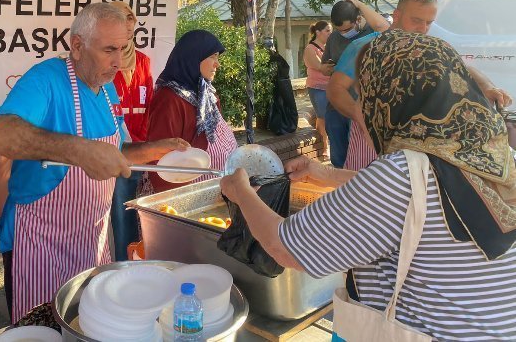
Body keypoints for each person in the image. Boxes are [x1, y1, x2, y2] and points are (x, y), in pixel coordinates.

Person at [221, 31, 516, 340]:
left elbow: (285, 248)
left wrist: (240, 192)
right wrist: (326, 175)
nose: (363, 106)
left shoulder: (399, 173)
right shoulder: (497, 154)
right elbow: (431, 195)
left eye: (366, 93)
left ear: (392, 95)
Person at [0, 2, 188, 321]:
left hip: (92, 240)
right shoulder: (45, 80)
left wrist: (158, 149)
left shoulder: (107, 91)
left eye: (123, 48)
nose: (118, 62)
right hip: (39, 244)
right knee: (43, 329)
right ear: (77, 46)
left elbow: (116, 153)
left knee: (89, 324)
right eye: (109, 50)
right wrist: (78, 150)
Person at [328, 0, 513, 171]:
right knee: (365, 193)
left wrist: (488, 87)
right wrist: (359, 116)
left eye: (429, 23)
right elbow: (335, 89)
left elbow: (462, 67)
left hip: (416, 145)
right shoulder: (366, 46)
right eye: (416, 21)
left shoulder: (428, 47)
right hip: (370, 137)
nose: (423, 29)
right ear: (397, 14)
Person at [146, 30, 237, 193]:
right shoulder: (169, 99)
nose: (217, 64)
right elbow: (159, 160)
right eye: (212, 56)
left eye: (218, 57)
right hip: (184, 194)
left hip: (216, 187)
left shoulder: (208, 94)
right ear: (194, 57)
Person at [108, 1, 154, 261]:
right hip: (117, 154)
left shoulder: (144, 61)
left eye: (130, 19)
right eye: (121, 18)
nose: (127, 24)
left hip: (143, 152)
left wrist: (146, 146)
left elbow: (150, 106)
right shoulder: (103, 64)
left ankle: (142, 259)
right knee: (121, 215)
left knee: (143, 213)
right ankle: (123, 266)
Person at [321, 0, 390, 167]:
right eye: (339, 30)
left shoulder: (373, 33)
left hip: (361, 108)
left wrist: (358, 3)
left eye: (346, 29)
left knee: (361, 161)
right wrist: (327, 69)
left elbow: (385, 28)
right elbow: (323, 65)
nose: (343, 33)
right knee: (338, 157)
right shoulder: (334, 38)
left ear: (358, 19)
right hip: (336, 105)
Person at [303, 21, 332, 158]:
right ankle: (325, 147)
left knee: (331, 116)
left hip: (331, 87)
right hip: (317, 87)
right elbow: (321, 68)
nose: (330, 33)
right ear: (318, 32)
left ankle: (328, 144)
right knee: (322, 116)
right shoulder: (310, 48)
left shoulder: (328, 47)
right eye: (327, 31)